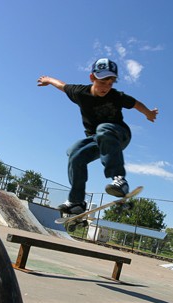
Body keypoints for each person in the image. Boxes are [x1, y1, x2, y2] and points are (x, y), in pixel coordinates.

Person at [37, 58, 158, 214]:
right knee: (75, 154)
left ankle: (119, 180)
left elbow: (136, 104)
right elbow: (62, 85)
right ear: (92, 78)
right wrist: (47, 80)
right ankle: (76, 201)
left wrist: (148, 113)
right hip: (97, 140)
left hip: (119, 134)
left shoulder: (116, 96)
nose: (106, 88)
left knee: (103, 129)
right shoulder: (80, 92)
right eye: (102, 82)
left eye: (110, 83)